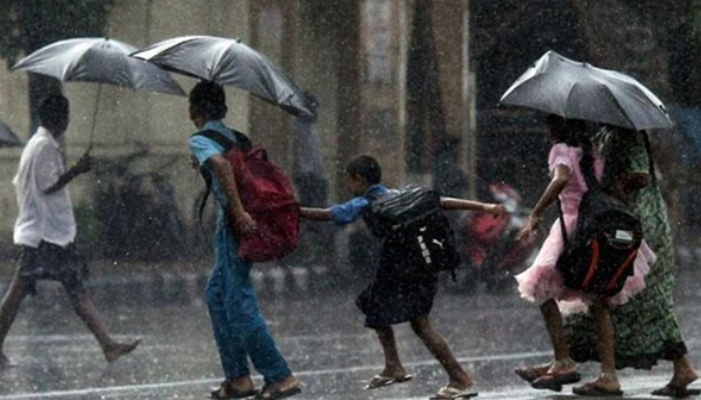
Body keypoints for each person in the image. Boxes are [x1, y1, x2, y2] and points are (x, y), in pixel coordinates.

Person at [299, 154, 506, 400]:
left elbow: (329, 214)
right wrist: (483, 207)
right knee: (384, 310)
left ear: (358, 179)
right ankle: (395, 366)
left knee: (409, 321)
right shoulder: (398, 194)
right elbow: (440, 201)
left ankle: (456, 377)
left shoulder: (365, 202)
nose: (347, 185)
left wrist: (293, 210)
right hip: (422, 266)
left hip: (401, 267)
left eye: (348, 179)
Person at [513, 116, 653, 396]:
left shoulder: (561, 151)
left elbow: (562, 178)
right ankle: (608, 375)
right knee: (598, 300)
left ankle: (563, 360)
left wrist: (536, 213)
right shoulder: (591, 153)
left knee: (541, 288)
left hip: (573, 227)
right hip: (597, 225)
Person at [557, 125, 698, 397]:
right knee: (641, 298)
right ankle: (681, 367)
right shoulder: (610, 135)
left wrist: (612, 186)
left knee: (626, 295)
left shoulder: (628, 136)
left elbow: (640, 175)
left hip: (637, 222)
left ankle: (602, 372)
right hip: (626, 219)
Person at [0, 94, 140, 367]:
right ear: (59, 119)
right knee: (56, 291)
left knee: (63, 290)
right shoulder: (43, 147)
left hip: (44, 233)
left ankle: (107, 344)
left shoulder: (38, 144)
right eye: (66, 116)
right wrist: (77, 170)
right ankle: (107, 344)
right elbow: (47, 185)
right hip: (46, 235)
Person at [187, 80, 300, 400]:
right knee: (217, 295)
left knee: (238, 303)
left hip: (234, 223)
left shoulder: (200, 138)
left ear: (194, 111)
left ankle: (280, 375)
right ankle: (238, 378)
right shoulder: (236, 137)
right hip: (239, 219)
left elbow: (222, 167)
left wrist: (236, 211)